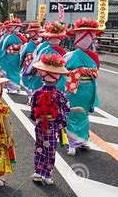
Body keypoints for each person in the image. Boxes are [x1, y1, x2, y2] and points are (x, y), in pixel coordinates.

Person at [30, 54, 84, 185]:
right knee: (50, 149)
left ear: (43, 76)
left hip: (40, 124)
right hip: (53, 125)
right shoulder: (59, 94)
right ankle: (47, 175)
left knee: (39, 147)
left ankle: (38, 172)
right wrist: (78, 109)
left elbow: (33, 110)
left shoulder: (36, 93)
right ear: (57, 78)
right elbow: (66, 109)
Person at [63, 18, 103, 156]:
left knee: (84, 114)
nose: (85, 39)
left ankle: (83, 139)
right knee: (72, 112)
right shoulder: (68, 56)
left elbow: (95, 72)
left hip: (88, 88)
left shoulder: (94, 56)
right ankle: (72, 142)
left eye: (89, 36)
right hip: (73, 88)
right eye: (82, 36)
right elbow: (63, 72)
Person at [24, 21, 68, 93]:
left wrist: (28, 71)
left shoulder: (43, 49)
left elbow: (35, 61)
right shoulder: (62, 53)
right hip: (53, 77)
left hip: (43, 76)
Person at [0, 18, 26, 93]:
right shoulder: (11, 37)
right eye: (14, 26)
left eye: (17, 27)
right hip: (11, 56)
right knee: (11, 71)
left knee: (14, 71)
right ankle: (13, 87)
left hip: (16, 56)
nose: (16, 28)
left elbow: (3, 48)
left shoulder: (19, 37)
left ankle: (14, 86)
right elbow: (3, 48)